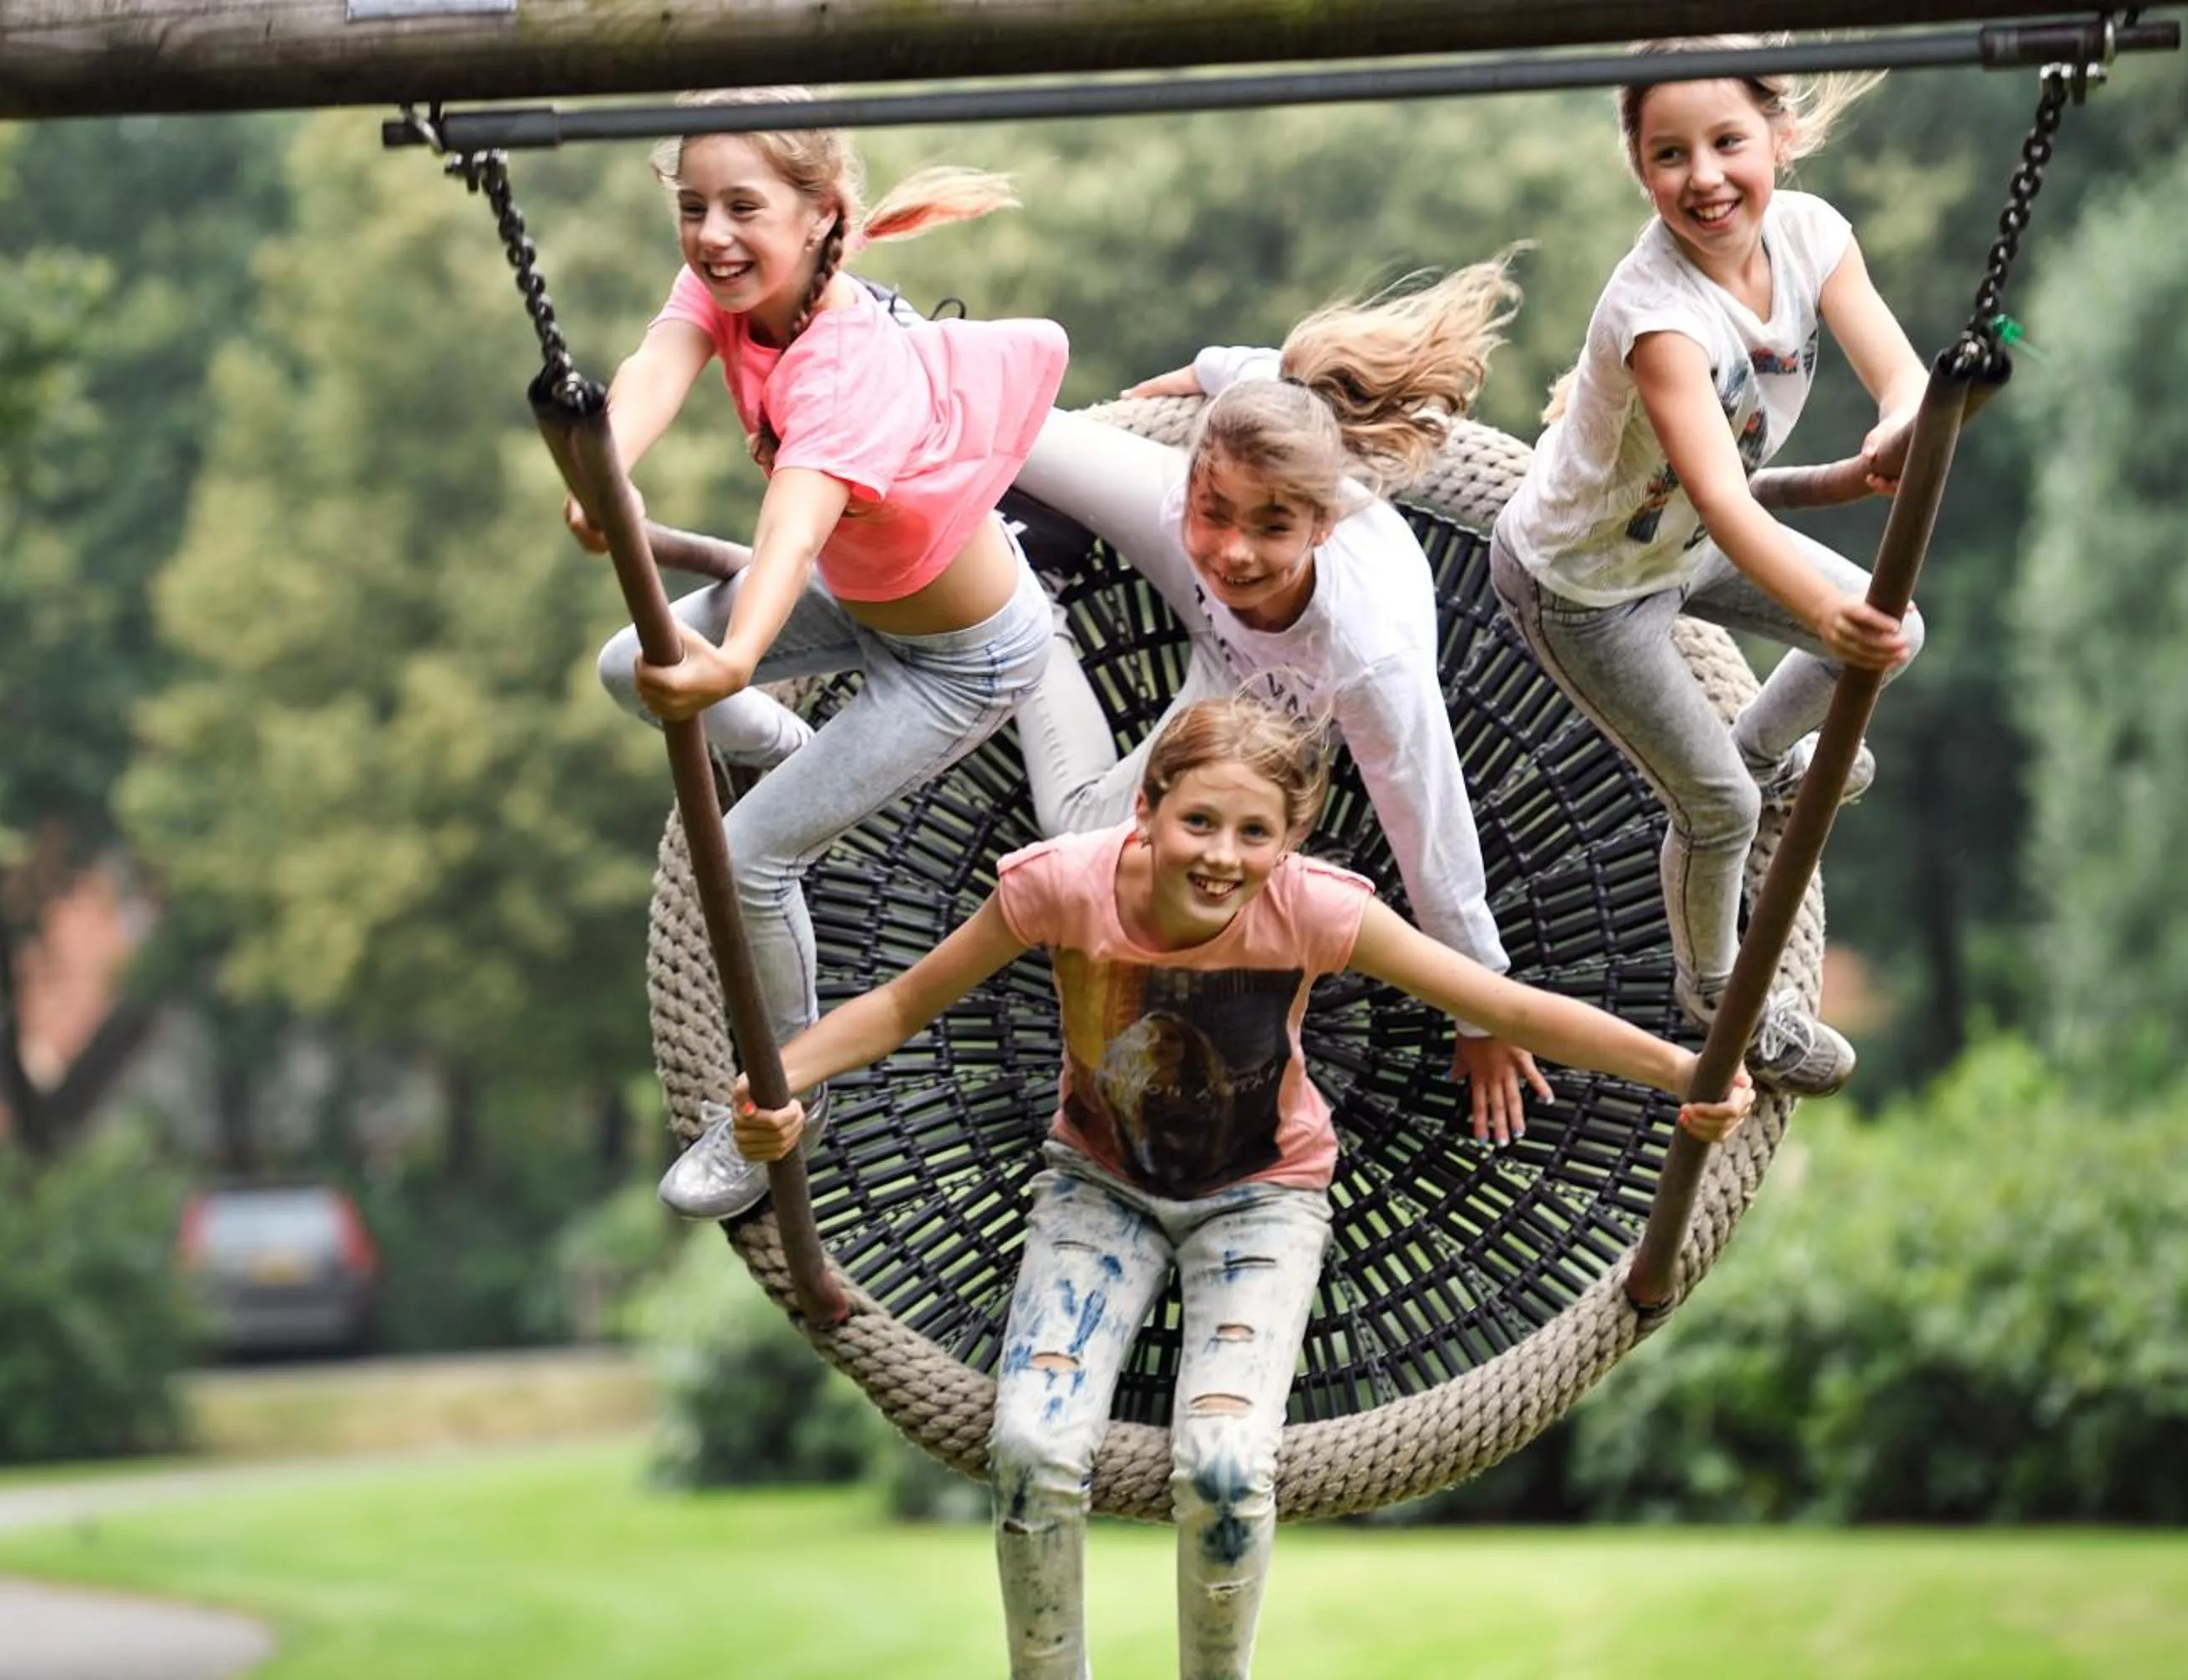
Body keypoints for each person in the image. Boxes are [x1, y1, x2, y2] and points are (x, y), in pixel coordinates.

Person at [728, 696, 1754, 1680]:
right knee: (1033, 1445)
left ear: (1290, 840)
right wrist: (782, 1081)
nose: (1222, 853)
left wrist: (1680, 1072)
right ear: (1149, 806)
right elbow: (906, 1002)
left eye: (1254, 831)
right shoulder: (1059, 888)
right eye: (1199, 820)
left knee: (1222, 1465)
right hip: (1100, 1187)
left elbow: (1502, 1002)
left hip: (1262, 1198)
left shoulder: (1314, 908)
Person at [577, 91, 1069, 1220]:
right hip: (862, 598)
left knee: (747, 854)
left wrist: (738, 654)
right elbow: (655, 366)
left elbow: (794, 523)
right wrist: (602, 475)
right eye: (692, 206)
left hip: (960, 656)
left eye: (741, 208)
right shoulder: (730, 281)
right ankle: (805, 754)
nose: (710, 233)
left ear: (820, 218)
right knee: (624, 666)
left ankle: (778, 1105)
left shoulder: (849, 364)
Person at [1007, 255, 1554, 1144]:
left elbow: (1433, 833)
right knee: (1014, 432)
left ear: (1320, 524)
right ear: (1195, 481)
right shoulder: (1212, 497)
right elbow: (1251, 375)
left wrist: (1483, 1012)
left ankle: (1020, 612)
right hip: (1189, 565)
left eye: (1273, 528)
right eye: (1218, 511)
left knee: (1077, 835)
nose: (1237, 550)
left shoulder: (1367, 660)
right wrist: (1199, 375)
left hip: (1254, 689)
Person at [1490, 39, 1927, 1095]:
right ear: (1642, 171)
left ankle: (1767, 753)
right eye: (1670, 154)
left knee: (1899, 633)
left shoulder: (1814, 236)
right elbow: (1727, 503)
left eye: (1728, 142)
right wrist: (1830, 608)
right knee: (1718, 808)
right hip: (1585, 586)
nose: (1705, 176)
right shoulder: (1660, 318)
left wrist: (1903, 428)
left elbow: (1902, 374)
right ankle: (1726, 997)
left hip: (1677, 534)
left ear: (1779, 136)